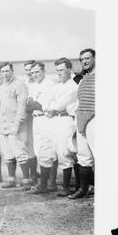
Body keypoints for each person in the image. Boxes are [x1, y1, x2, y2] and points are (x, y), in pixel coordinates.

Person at [44, 58, 78, 197]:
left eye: (62, 70)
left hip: (66, 120)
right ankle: (69, 184)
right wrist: (51, 108)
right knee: (55, 151)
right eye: (57, 70)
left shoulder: (73, 85)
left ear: (69, 69)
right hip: (56, 121)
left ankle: (66, 186)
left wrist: (53, 108)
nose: (59, 73)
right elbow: (45, 103)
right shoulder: (57, 86)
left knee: (66, 152)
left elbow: (59, 105)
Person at [0, 62, 31, 190]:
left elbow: (22, 107)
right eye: (3, 72)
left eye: (7, 71)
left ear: (12, 70)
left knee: (20, 152)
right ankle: (11, 180)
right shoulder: (2, 85)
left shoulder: (20, 84)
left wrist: (16, 125)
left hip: (16, 125)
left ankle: (26, 180)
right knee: (7, 153)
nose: (5, 74)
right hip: (3, 126)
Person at [27, 61, 58, 194]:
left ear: (43, 71)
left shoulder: (50, 84)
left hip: (47, 118)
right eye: (32, 72)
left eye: (37, 72)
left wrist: (32, 103)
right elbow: (29, 105)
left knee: (48, 150)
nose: (34, 74)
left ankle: (46, 184)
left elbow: (40, 105)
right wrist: (31, 104)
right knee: (39, 150)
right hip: (36, 119)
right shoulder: (32, 85)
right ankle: (48, 183)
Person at [69, 49, 95, 199]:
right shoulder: (83, 78)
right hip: (81, 117)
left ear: (95, 58)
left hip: (95, 118)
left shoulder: (102, 75)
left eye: (87, 58)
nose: (84, 61)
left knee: (100, 154)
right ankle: (83, 189)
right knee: (83, 155)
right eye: (81, 59)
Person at [22, 60, 40, 189]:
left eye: (31, 70)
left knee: (40, 145)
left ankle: (45, 176)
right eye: (27, 70)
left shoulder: (39, 83)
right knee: (28, 146)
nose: (29, 73)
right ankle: (32, 175)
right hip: (28, 116)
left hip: (40, 116)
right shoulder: (25, 83)